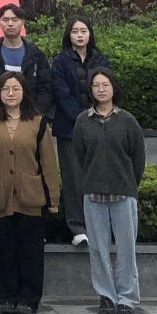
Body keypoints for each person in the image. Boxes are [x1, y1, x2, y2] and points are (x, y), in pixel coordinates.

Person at [0, 72, 61, 314]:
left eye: (16, 88)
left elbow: (48, 162)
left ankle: (29, 298)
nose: (11, 93)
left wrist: (53, 199)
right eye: (5, 88)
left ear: (24, 92)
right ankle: (7, 296)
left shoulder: (37, 121)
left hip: (31, 195)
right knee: (4, 250)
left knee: (31, 251)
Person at [73, 69, 146, 314]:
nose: (101, 89)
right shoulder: (83, 121)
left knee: (126, 248)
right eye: (96, 85)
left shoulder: (127, 121)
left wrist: (129, 184)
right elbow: (79, 156)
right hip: (93, 193)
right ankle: (106, 296)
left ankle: (127, 298)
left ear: (113, 88)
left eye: (105, 84)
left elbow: (138, 158)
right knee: (98, 249)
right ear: (90, 90)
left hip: (123, 193)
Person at [50, 18, 112, 246]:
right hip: (70, 129)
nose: (79, 35)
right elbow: (61, 94)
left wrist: (96, 117)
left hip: (100, 126)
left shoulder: (100, 59)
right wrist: (82, 119)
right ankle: (77, 227)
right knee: (73, 178)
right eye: (75, 31)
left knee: (98, 175)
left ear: (90, 34)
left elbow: (107, 88)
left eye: (83, 31)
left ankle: (99, 226)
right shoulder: (60, 61)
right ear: (69, 35)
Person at [0, 4, 53, 117]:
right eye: (5, 20)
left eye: (15, 20)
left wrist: (35, 112)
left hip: (30, 117)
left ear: (22, 22)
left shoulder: (36, 55)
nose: (10, 24)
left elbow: (46, 87)